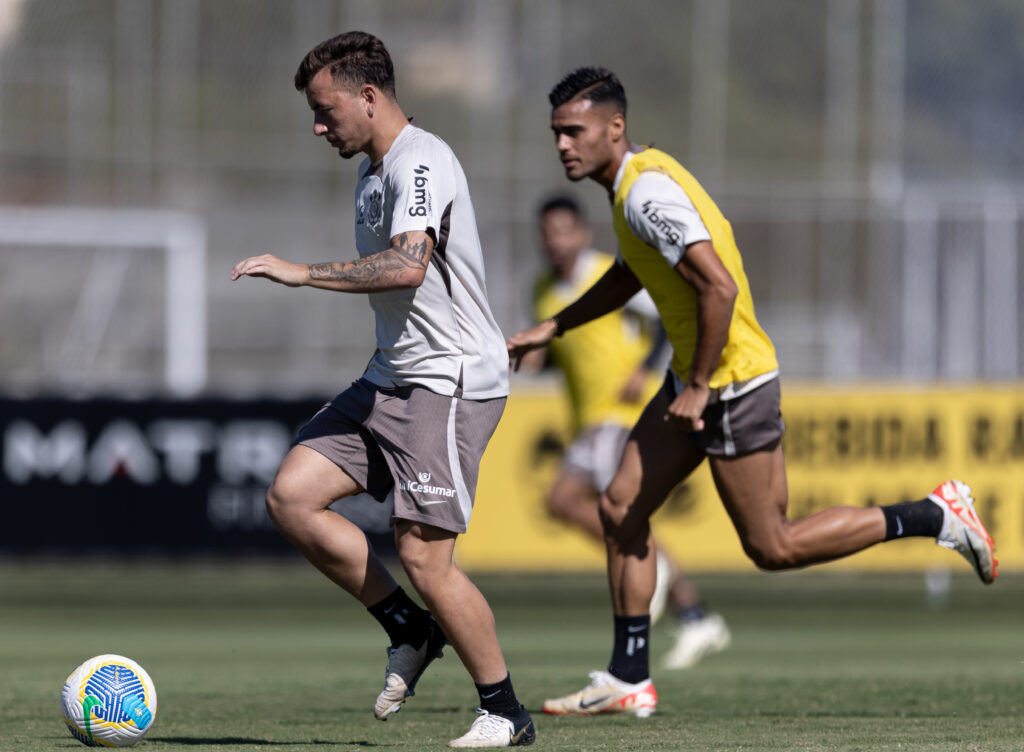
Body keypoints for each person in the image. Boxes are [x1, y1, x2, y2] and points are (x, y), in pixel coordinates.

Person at [506, 66, 997, 719]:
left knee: (774, 546)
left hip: (732, 384)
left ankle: (935, 515)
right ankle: (629, 678)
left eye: (575, 131)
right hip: (696, 378)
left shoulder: (647, 192)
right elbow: (634, 272)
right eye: (556, 133)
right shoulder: (629, 188)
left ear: (614, 128)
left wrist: (703, 385)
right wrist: (556, 323)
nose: (564, 144)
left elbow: (719, 288)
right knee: (621, 506)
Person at [231, 32, 534, 748]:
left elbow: (406, 267)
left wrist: (302, 271)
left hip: (448, 379)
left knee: (427, 557)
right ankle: (408, 628)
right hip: (390, 375)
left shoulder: (420, 160)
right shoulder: (370, 172)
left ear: (369, 96)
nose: (317, 125)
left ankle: (505, 712)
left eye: (324, 108)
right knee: (292, 497)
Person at [523, 194, 730, 669]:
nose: (554, 241)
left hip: (618, 412)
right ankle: (696, 614)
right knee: (620, 515)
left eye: (563, 230)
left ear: (581, 233)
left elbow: (663, 316)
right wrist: (538, 358)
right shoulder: (542, 288)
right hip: (587, 417)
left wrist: (645, 368)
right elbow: (566, 350)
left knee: (577, 502)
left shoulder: (604, 273)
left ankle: (657, 578)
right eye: (547, 232)